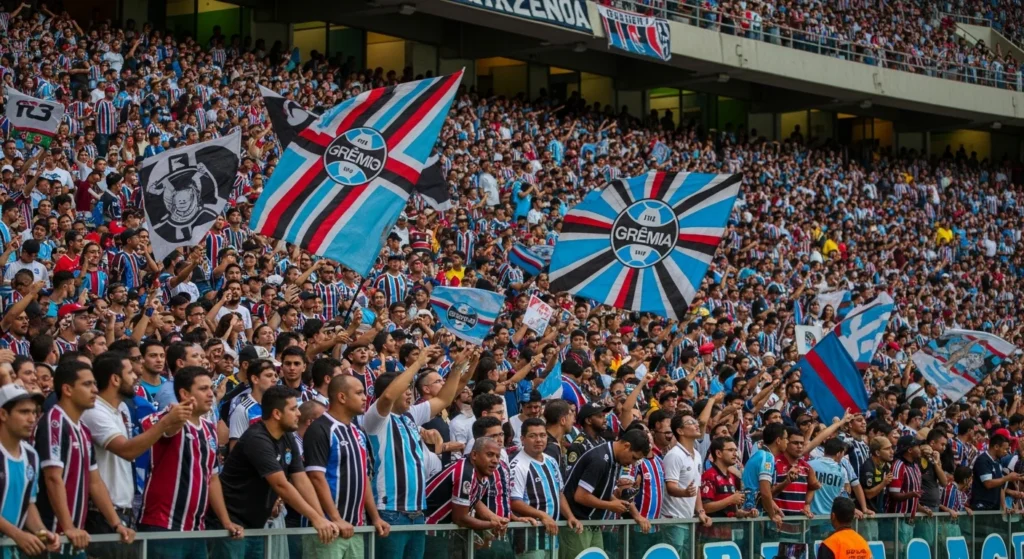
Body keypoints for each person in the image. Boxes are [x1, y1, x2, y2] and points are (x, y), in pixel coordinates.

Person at [362, 346, 473, 559]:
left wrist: (458, 367)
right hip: (390, 511)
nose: (409, 394)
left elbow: (444, 400)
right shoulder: (376, 420)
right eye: (405, 390)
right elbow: (386, 399)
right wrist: (418, 363)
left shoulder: (410, 416)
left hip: (417, 513)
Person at [214, 386, 339, 558]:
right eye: (293, 409)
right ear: (277, 414)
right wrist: (316, 519)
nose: (299, 414)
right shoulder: (257, 439)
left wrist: (319, 517)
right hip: (231, 524)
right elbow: (281, 484)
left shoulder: (286, 436)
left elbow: (300, 479)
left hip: (256, 524)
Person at [138, 366, 243, 559]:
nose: (211, 393)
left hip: (197, 529)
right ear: (185, 393)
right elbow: (163, 430)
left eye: (211, 388)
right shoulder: (166, 419)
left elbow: (212, 480)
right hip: (163, 527)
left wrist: (226, 521)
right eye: (203, 389)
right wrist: (174, 415)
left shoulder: (210, 429)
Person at [34, 359, 136, 556]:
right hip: (54, 536)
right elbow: (53, 478)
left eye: (95, 384)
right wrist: (68, 526)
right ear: (67, 389)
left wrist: (116, 524)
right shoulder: (54, 423)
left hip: (76, 536)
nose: (95, 390)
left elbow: (95, 483)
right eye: (87, 384)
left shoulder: (82, 429)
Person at [304, 374, 390, 559]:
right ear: (342, 397)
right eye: (359, 393)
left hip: (355, 528)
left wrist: (375, 517)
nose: (364, 397)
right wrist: (335, 519)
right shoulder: (320, 429)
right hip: (328, 530)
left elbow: (363, 477)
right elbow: (316, 478)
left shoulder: (357, 432)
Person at [561, 428, 651, 558]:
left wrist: (635, 514)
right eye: (633, 458)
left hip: (591, 523)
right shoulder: (599, 460)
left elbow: (605, 492)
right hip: (576, 522)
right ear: (626, 446)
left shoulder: (613, 459)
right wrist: (610, 506)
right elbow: (580, 496)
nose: (631, 464)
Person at [509, 417, 582, 559]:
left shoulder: (551, 461)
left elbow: (559, 493)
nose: (539, 440)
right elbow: (514, 502)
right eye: (533, 436)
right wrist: (543, 515)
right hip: (529, 539)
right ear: (522, 439)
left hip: (552, 536)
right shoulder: (518, 465)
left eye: (542, 435)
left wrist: (570, 516)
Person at [0, 384, 59, 557]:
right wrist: (16, 534)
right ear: (3, 414)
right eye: (24, 412)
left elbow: (28, 503)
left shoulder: (31, 454)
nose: (32, 418)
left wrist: (42, 531)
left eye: (34, 412)